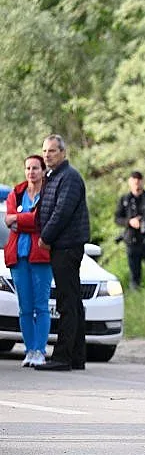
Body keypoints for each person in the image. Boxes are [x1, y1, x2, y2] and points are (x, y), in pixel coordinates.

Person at [35, 134, 90, 372]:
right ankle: (77, 356)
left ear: (63, 153)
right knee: (73, 301)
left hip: (66, 246)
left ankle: (63, 357)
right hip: (62, 246)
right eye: (45, 151)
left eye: (52, 151)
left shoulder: (69, 177)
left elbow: (61, 212)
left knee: (67, 302)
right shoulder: (53, 176)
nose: (47, 155)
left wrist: (45, 237)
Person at [3, 155, 52, 367]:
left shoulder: (49, 193)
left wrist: (19, 220)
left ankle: (40, 351)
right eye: (28, 168)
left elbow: (41, 220)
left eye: (35, 168)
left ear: (43, 171)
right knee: (25, 307)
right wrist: (27, 219)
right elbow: (8, 220)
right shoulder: (17, 192)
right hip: (18, 256)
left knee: (41, 306)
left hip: (40, 256)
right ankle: (29, 350)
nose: (31, 172)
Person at [114, 171, 145, 289]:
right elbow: (117, 219)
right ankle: (136, 294)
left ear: (142, 181)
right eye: (134, 181)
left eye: (139, 180)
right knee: (134, 276)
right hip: (132, 242)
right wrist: (129, 222)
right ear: (130, 182)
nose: (137, 184)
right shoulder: (125, 200)